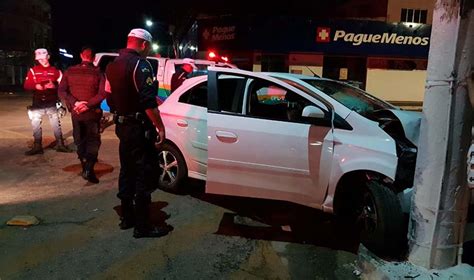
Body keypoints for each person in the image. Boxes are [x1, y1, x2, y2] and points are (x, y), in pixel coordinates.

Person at [105, 28, 168, 238]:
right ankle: (143, 226)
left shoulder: (111, 66)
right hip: (139, 129)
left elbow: (109, 97)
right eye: (148, 47)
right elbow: (148, 102)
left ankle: (126, 218)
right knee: (144, 173)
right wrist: (160, 126)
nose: (147, 50)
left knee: (127, 170)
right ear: (143, 44)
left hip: (122, 127)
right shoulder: (142, 65)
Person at [58, 47, 107, 184]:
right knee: (93, 141)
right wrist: (88, 104)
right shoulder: (98, 73)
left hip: (76, 113)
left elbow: (62, 91)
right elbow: (103, 93)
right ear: (93, 58)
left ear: (81, 56)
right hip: (92, 114)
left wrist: (75, 103)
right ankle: (88, 169)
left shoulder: (70, 71)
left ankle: (84, 163)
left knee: (80, 140)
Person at [23, 48, 71, 155]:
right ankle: (37, 146)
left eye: (43, 59)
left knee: (55, 124)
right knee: (35, 124)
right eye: (39, 60)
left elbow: (63, 86)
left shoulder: (56, 71)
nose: (41, 61)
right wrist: (35, 85)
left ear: (48, 57)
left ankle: (60, 144)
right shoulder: (33, 70)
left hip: (51, 102)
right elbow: (26, 85)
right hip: (37, 103)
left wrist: (54, 86)